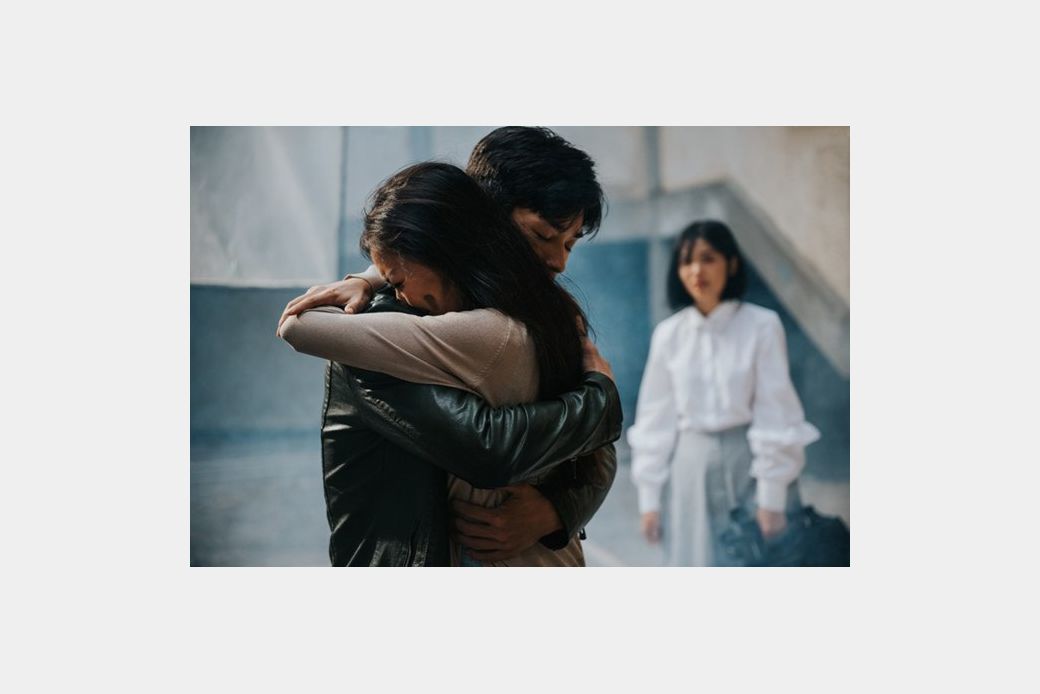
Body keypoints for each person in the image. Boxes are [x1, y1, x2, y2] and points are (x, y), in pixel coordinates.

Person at [277, 127, 617, 564]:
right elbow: (489, 448)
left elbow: (598, 451)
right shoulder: (389, 326)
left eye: (569, 243)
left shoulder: (546, 316)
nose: (559, 261)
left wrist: (555, 512)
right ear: (480, 220)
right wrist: (599, 399)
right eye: (541, 236)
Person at [627, 220, 820, 566]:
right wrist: (649, 501)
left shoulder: (762, 325)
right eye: (687, 261)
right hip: (689, 468)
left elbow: (776, 410)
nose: (696, 270)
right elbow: (655, 419)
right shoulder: (669, 335)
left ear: (730, 264)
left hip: (751, 461)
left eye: (708, 258)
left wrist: (771, 498)